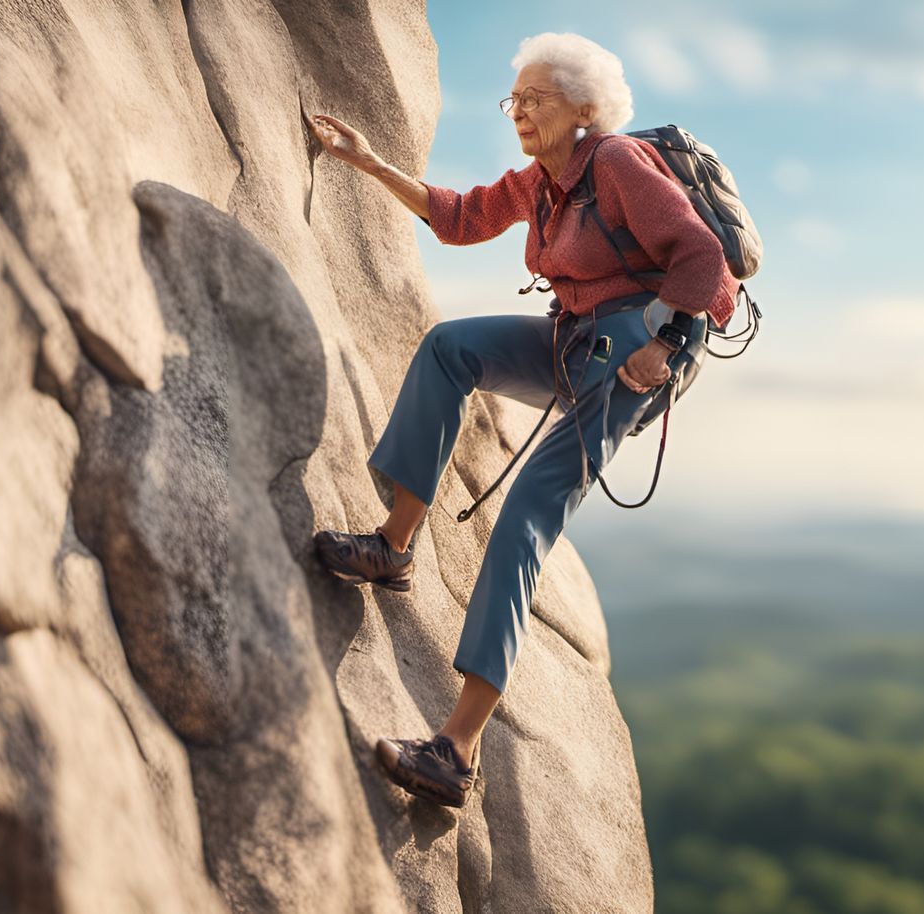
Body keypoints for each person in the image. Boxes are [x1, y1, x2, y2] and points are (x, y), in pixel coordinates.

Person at [308, 32, 740, 809]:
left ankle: (454, 751)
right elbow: (461, 218)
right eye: (515, 99)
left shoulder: (614, 163)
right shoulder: (541, 182)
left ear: (584, 109)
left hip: (626, 351)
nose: (519, 112)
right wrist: (369, 162)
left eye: (536, 98)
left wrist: (667, 350)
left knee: (525, 518)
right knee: (450, 349)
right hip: (569, 338)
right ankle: (393, 546)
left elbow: (705, 260)